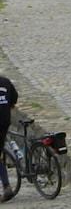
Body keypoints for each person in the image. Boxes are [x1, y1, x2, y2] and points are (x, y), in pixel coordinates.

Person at [0, 74, 17, 202]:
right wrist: (9, 105)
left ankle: (6, 187)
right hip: (5, 121)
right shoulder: (6, 81)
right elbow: (14, 97)